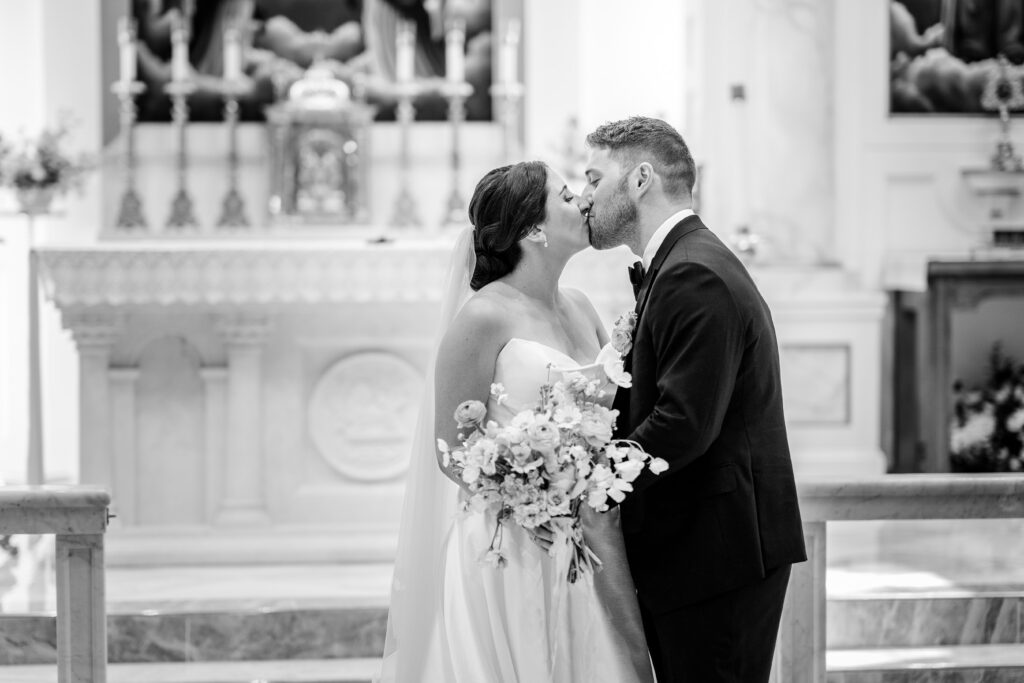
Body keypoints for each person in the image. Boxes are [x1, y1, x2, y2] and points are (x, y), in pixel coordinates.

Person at [380, 161, 654, 682]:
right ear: (533, 229)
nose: (584, 201)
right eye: (567, 196)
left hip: (589, 537)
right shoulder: (484, 316)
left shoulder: (581, 306)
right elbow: (451, 449)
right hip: (514, 544)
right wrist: (535, 500)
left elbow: (614, 409)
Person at [581, 116, 807, 683]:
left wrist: (588, 484)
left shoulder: (693, 274)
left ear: (641, 179)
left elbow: (682, 423)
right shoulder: (683, 262)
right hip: (703, 548)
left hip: (715, 555)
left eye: (593, 179)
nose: (585, 198)